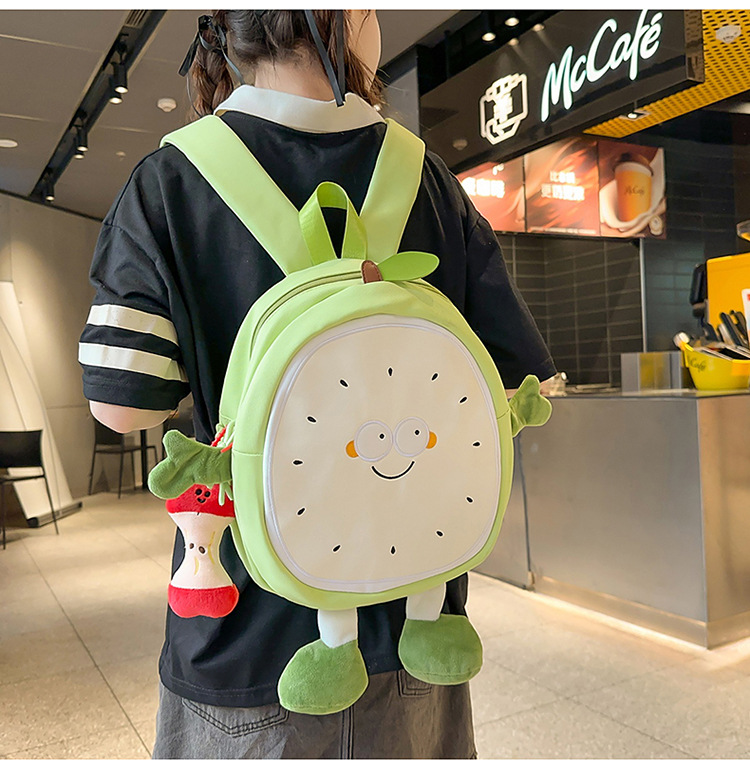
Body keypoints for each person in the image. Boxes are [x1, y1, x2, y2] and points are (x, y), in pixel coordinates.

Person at [79, 10, 555, 759]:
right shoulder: (425, 177)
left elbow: (120, 405)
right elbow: (525, 379)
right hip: (414, 629)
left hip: (246, 637)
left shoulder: (171, 180)